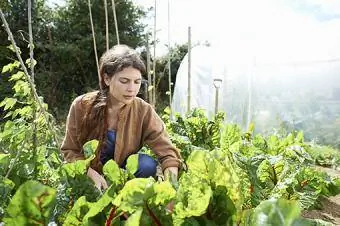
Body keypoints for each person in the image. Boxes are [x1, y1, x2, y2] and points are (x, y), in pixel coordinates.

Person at [60, 44, 181, 190]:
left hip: (122, 174)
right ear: (107, 79)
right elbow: (70, 151)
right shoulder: (81, 105)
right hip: (89, 174)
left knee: (146, 164)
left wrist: (171, 187)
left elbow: (168, 153)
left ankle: (123, 196)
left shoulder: (143, 110)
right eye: (124, 81)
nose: (131, 89)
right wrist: (89, 173)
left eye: (137, 82)